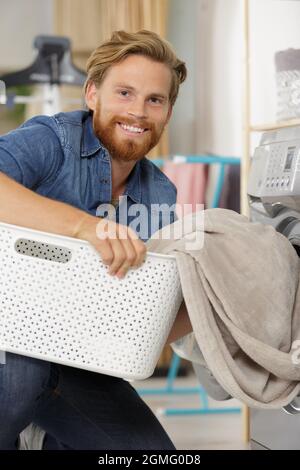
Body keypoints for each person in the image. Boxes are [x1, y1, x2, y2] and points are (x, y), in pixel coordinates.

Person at [0, 30, 192, 450]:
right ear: (92, 94)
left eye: (154, 100)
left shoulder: (160, 195)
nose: (138, 111)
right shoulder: (51, 141)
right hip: (8, 339)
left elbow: (136, 321)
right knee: (20, 376)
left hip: (78, 364)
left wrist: (207, 308)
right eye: (124, 92)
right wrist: (84, 227)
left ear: (167, 113)